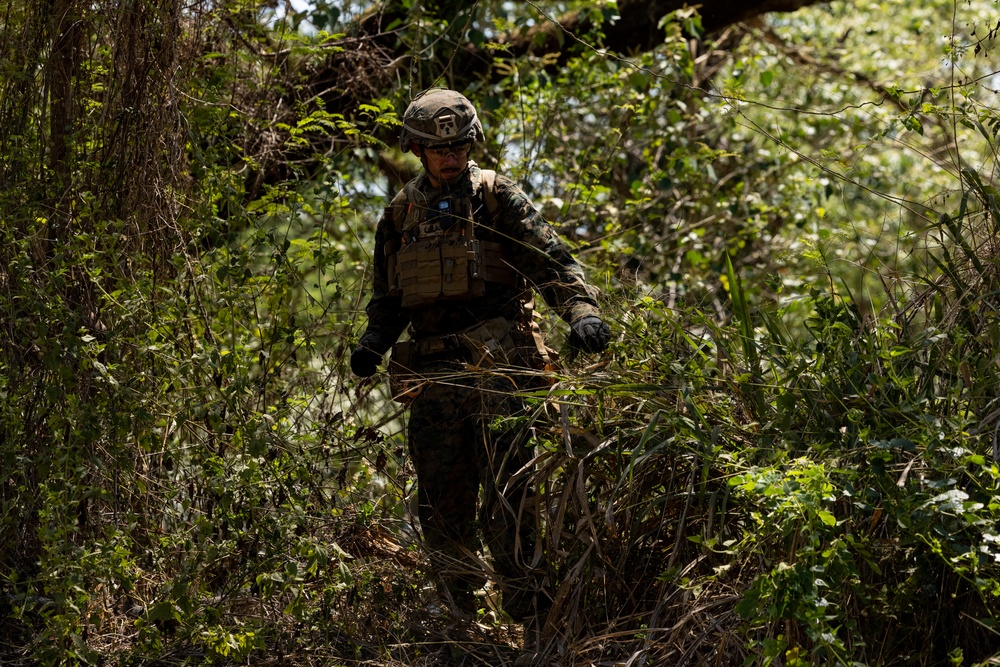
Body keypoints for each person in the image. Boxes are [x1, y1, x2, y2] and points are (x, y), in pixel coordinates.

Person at [350, 88, 611, 623]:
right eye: (438, 149)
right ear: (417, 151)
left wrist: (580, 312)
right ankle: (460, 620)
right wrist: (373, 342)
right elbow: (390, 295)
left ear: (471, 145)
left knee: (512, 498)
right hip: (434, 379)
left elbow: (552, 261)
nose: (450, 157)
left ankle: (534, 621)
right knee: (442, 506)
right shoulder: (400, 213)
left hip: (500, 369)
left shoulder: (496, 196)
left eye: (459, 147)